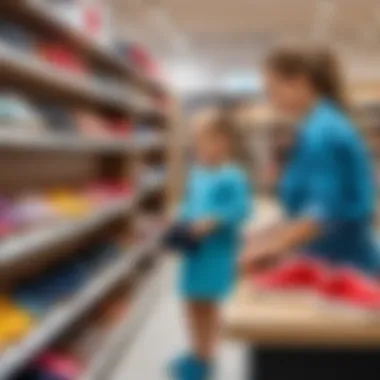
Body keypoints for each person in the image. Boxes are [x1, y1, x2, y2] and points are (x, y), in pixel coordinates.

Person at [240, 45, 380, 275]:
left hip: (343, 267)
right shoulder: (316, 126)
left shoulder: (322, 132)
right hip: (328, 258)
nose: (270, 99)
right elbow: (307, 208)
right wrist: (272, 234)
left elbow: (324, 211)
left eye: (272, 90)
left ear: (299, 82)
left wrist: (269, 246)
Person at [170, 109, 251, 380]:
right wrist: (180, 221)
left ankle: (205, 358)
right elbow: (189, 203)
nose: (197, 146)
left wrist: (213, 221)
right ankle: (196, 353)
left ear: (222, 141)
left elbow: (241, 210)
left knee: (208, 306)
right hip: (194, 252)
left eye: (202, 140)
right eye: (195, 140)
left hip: (216, 254)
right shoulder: (197, 173)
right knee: (190, 304)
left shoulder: (233, 176)